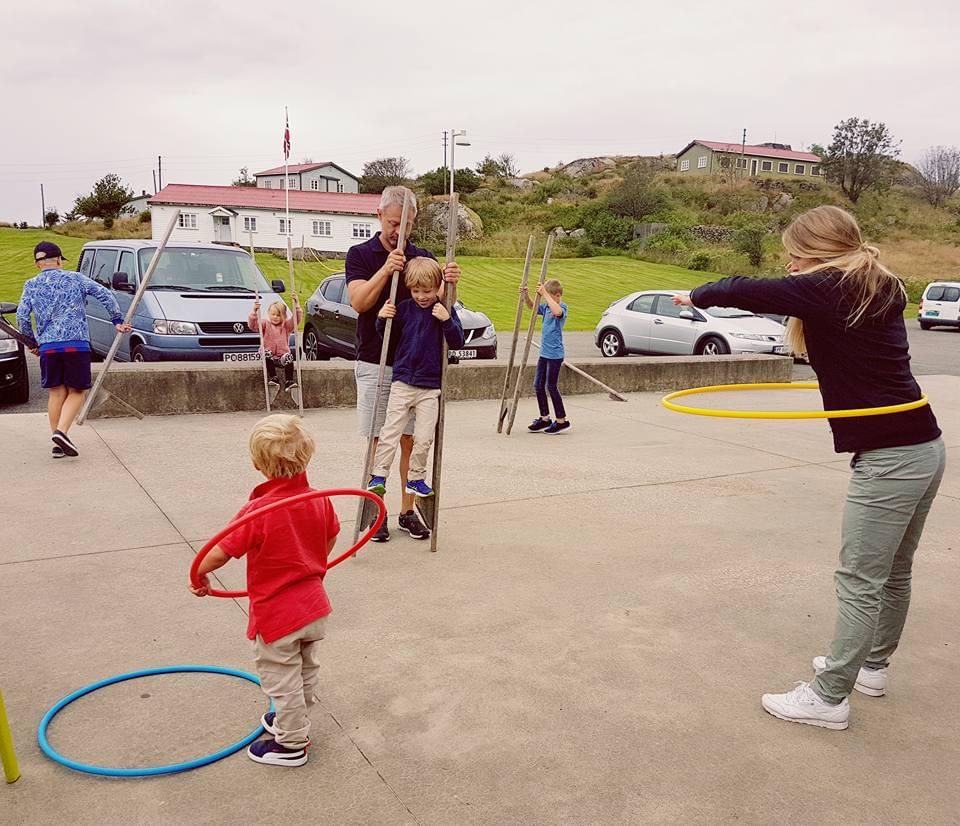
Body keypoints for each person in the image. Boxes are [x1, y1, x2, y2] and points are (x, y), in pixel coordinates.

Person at [675, 205, 944, 731]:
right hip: (922, 445)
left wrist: (698, 295)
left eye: (794, 255)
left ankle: (829, 697)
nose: (790, 265)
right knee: (892, 572)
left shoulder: (831, 289)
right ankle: (871, 667)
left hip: (891, 457)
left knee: (860, 578)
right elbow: (779, 292)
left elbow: (745, 289)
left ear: (814, 252)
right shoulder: (878, 284)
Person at [189, 414, 340, 767]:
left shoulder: (257, 511)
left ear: (258, 464)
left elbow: (219, 551)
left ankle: (291, 743)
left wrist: (199, 576)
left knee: (280, 678)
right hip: (314, 605)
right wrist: (312, 565)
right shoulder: (321, 499)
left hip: (278, 614)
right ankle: (295, 717)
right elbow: (331, 536)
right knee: (305, 667)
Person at [345, 185, 461, 542]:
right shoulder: (360, 254)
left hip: (418, 366)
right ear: (379, 216)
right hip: (376, 360)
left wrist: (452, 283)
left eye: (407, 225)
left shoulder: (421, 256)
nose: (400, 232)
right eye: (395, 223)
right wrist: (385, 270)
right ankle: (374, 512)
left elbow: (440, 307)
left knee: (412, 441)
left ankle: (407, 511)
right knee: (382, 438)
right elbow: (359, 303)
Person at [366, 258, 465, 530]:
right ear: (409, 289)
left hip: (429, 387)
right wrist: (381, 318)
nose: (422, 297)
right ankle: (378, 476)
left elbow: (457, 341)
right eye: (416, 291)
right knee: (389, 432)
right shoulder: (405, 309)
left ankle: (416, 478)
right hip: (403, 382)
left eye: (428, 291)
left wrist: (447, 320)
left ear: (438, 288)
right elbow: (387, 337)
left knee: (423, 439)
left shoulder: (443, 309)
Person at [16, 241, 132, 459]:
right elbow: (105, 294)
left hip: (48, 347)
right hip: (75, 344)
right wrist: (116, 319)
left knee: (56, 392)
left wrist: (32, 342)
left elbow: (22, 317)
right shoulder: (76, 278)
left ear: (36, 263)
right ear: (59, 260)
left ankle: (58, 442)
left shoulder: (31, 285)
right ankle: (61, 433)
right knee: (77, 391)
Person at [521, 278, 570, 434]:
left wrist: (545, 294)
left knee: (551, 386)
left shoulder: (561, 307)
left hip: (555, 355)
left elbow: (557, 312)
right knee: (538, 385)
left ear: (557, 295)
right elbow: (533, 307)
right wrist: (526, 296)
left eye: (548, 296)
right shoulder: (547, 308)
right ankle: (544, 418)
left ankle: (562, 420)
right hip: (544, 354)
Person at [248, 294, 302, 392]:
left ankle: (289, 381)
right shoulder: (265, 324)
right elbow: (253, 326)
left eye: (278, 315)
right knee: (266, 352)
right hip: (269, 357)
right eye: (273, 314)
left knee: (289, 356)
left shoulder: (286, 326)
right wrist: (254, 311)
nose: (275, 317)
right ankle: (274, 378)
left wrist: (297, 305)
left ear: (284, 316)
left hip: (281, 358)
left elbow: (296, 319)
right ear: (269, 313)